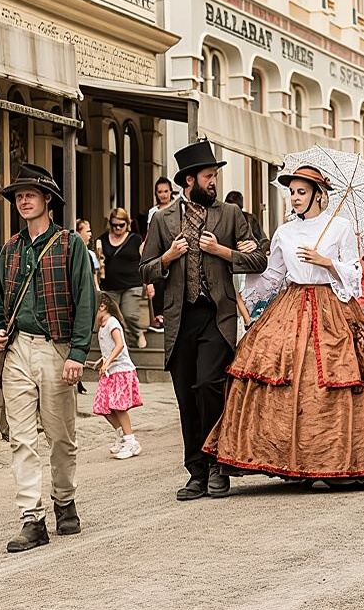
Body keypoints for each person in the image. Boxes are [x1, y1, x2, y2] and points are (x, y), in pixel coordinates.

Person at [205, 165, 364, 487]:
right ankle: (288, 462)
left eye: (301, 192)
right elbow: (272, 275)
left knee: (335, 378)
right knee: (276, 374)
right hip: (291, 303)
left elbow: (354, 276)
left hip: (331, 306)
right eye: (292, 192)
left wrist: (328, 263)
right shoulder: (284, 232)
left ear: (318, 194)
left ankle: (336, 462)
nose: (295, 198)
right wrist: (243, 287)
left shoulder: (341, 227)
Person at [140, 139, 267, 501]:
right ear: (189, 181)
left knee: (210, 386)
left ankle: (217, 465)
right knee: (185, 396)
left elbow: (259, 258)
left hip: (216, 316)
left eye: (215, 176)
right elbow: (144, 271)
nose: (214, 182)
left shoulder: (230, 215)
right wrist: (167, 257)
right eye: (209, 176)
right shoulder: (163, 221)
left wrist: (222, 251)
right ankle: (195, 471)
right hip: (180, 320)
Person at [0, 163, 96, 553]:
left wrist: (78, 353)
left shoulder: (70, 244)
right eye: (18, 194)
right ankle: (31, 519)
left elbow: (86, 300)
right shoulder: (10, 250)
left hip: (56, 349)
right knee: (20, 439)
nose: (24, 199)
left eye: (31, 193)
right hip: (18, 349)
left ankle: (64, 501)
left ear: (48, 199)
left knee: (61, 437)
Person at [91, 293, 144, 459]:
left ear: (102, 307)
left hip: (120, 370)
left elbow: (120, 345)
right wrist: (101, 361)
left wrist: (107, 363)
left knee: (119, 407)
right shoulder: (102, 326)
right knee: (103, 407)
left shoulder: (112, 323)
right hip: (110, 372)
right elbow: (109, 349)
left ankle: (131, 441)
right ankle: (122, 436)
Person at [97, 207, 152, 349]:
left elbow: (145, 260)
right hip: (110, 285)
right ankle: (122, 344)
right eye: (114, 225)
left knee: (129, 314)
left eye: (121, 225)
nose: (118, 228)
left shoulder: (135, 239)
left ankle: (137, 333)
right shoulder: (102, 239)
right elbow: (100, 261)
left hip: (132, 283)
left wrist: (149, 282)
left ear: (127, 223)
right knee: (114, 318)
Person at [146, 177, 177, 334]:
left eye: (166, 191)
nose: (163, 194)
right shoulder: (153, 212)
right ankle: (159, 317)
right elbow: (149, 234)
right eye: (160, 192)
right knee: (158, 281)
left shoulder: (178, 207)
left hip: (175, 248)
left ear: (171, 191)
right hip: (158, 251)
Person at [76, 219, 100, 290]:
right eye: (88, 231)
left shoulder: (90, 255)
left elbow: (94, 279)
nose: (90, 234)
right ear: (78, 232)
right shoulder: (73, 254)